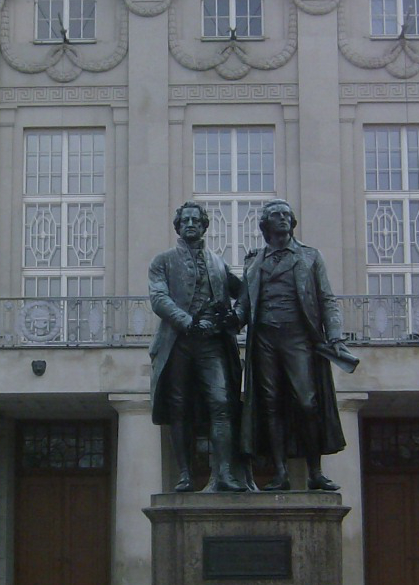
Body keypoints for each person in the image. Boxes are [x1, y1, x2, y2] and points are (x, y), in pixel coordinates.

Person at [237, 199, 354, 491]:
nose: (282, 219)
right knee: (270, 403)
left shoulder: (310, 257)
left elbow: (327, 298)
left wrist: (335, 335)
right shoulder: (254, 261)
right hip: (264, 338)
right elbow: (244, 303)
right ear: (265, 225)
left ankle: (315, 471)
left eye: (286, 215)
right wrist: (228, 321)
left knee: (307, 401)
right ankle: (280, 472)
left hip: (297, 337)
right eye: (276, 215)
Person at [148, 202, 246, 492]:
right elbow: (158, 299)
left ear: (204, 226)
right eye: (185, 220)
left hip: (212, 343)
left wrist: (235, 317)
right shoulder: (163, 261)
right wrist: (188, 322)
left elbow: (245, 293)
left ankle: (224, 473)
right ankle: (185, 474)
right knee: (179, 407)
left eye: (196, 220)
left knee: (221, 403)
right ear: (178, 227)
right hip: (178, 342)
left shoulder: (218, 262)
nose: (191, 223)